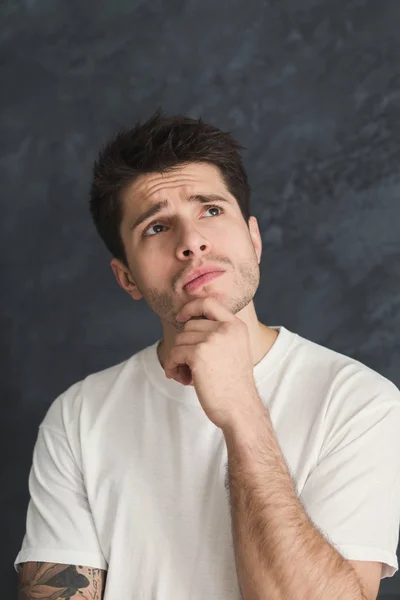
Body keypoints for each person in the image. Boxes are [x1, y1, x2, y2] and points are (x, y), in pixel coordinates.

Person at [15, 109, 400, 599]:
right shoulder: (78, 416)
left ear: (254, 239)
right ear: (127, 277)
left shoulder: (361, 403)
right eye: (156, 227)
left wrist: (241, 410)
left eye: (212, 210)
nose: (192, 241)